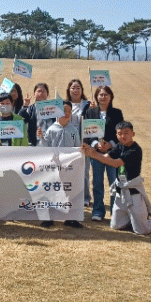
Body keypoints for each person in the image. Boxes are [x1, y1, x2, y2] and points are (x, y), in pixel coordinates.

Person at [82, 121, 151, 235]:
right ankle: (133, 220)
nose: (123, 136)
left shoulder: (135, 150)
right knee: (116, 226)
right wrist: (89, 151)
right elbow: (106, 157)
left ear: (133, 134)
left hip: (133, 193)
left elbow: (116, 163)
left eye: (126, 133)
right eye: (120, 134)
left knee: (141, 231)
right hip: (120, 192)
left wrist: (94, 154)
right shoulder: (119, 146)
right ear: (116, 135)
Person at [36, 100, 83, 229]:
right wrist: (41, 138)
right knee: (52, 190)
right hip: (54, 167)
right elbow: (45, 147)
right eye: (64, 111)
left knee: (70, 191)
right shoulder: (51, 129)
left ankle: (71, 218)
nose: (66, 113)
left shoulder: (73, 130)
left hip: (69, 167)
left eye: (69, 111)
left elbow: (77, 147)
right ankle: (49, 218)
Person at [84, 85, 124, 221]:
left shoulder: (117, 113)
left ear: (111, 97)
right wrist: (96, 144)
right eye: (100, 94)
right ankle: (98, 212)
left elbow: (121, 133)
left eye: (106, 94)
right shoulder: (90, 113)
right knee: (97, 183)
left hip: (113, 154)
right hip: (96, 154)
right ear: (96, 96)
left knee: (114, 183)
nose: (103, 97)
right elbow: (87, 134)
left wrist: (110, 144)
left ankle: (115, 212)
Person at [66, 79, 92, 207]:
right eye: (73, 88)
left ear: (82, 90)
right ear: (69, 90)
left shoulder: (88, 104)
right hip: (68, 143)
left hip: (83, 143)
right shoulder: (64, 105)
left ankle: (85, 197)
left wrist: (94, 109)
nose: (75, 90)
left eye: (78, 88)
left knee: (84, 172)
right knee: (68, 172)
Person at [19, 82, 53, 146]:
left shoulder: (53, 108)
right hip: (35, 143)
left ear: (47, 94)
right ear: (34, 94)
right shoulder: (30, 109)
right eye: (39, 91)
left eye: (43, 91)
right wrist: (25, 105)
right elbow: (21, 120)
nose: (41, 93)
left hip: (50, 142)